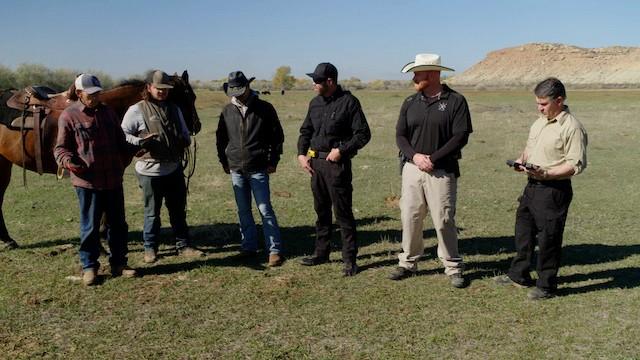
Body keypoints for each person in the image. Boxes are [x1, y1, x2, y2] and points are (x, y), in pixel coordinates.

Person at [495, 77, 587, 300]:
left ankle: (546, 285)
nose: (539, 108)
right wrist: (521, 161)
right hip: (532, 186)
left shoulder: (572, 127)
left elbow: (576, 164)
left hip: (554, 190)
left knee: (549, 238)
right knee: (523, 232)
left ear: (559, 100)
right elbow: (529, 148)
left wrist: (547, 173)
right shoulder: (538, 122)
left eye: (543, 104)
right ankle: (519, 274)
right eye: (537, 103)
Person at [389, 54, 473, 288]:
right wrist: (415, 156)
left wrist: (433, 159)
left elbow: (460, 137)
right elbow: (400, 135)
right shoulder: (409, 102)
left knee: (443, 219)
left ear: (433, 74)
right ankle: (407, 262)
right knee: (410, 216)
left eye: (418, 73)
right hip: (412, 169)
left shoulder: (456, 101)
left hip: (442, 171)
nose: (414, 78)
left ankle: (453, 266)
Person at [54, 74, 136, 285]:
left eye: (98, 93)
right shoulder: (69, 116)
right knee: (90, 227)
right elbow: (60, 149)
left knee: (118, 225)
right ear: (79, 93)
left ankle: (119, 263)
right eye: (90, 94)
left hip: (113, 179)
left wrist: (139, 146)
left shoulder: (108, 112)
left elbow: (120, 141)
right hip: (88, 182)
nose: (95, 97)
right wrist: (68, 161)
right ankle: (89, 267)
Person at [121, 70, 204, 263]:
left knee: (178, 210)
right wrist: (139, 141)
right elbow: (122, 133)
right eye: (158, 88)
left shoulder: (174, 108)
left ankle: (183, 245)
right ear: (148, 87)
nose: (162, 92)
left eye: (165, 89)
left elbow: (184, 131)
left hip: (173, 168)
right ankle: (150, 248)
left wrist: (184, 140)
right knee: (152, 212)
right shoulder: (137, 110)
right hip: (149, 170)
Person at [297, 62, 371, 276]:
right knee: (321, 212)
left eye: (317, 81)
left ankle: (350, 259)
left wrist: (341, 150)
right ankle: (321, 253)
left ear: (329, 81)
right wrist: (302, 154)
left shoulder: (349, 102)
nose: (313, 84)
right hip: (315, 165)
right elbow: (305, 131)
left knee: (343, 213)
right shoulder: (314, 103)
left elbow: (363, 134)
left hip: (336, 165)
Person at [216, 71, 285, 267]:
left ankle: (274, 250)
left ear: (247, 87)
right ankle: (249, 246)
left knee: (265, 209)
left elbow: (277, 137)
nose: (236, 94)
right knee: (243, 210)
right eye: (232, 91)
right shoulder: (227, 110)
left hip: (258, 167)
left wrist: (273, 160)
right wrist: (224, 161)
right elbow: (221, 139)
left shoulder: (265, 108)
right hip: (236, 167)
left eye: (239, 89)